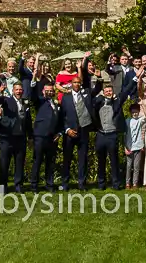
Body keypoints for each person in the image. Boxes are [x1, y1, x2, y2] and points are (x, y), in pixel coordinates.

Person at [59, 56, 96, 190]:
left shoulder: (86, 94)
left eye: (78, 82)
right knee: (67, 159)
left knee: (83, 159)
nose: (77, 84)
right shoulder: (66, 98)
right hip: (70, 132)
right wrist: (67, 129)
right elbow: (61, 117)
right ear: (71, 83)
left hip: (83, 130)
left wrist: (96, 76)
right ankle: (65, 183)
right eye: (74, 82)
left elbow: (96, 90)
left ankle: (81, 183)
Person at [92, 69, 132, 190]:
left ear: (112, 92)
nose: (108, 92)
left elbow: (125, 92)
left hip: (112, 135)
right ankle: (101, 183)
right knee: (101, 161)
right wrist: (99, 79)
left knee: (114, 161)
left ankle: (115, 184)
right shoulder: (98, 102)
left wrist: (134, 79)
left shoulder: (117, 102)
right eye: (106, 91)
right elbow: (91, 97)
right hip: (100, 135)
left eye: (110, 91)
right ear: (103, 92)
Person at [0, 82, 30, 194]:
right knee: (4, 163)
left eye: (20, 89)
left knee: (19, 162)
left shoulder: (25, 102)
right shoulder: (7, 100)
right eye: (17, 90)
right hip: (7, 137)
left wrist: (30, 136)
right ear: (13, 91)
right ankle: (3, 186)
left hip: (21, 137)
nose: (19, 91)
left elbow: (28, 120)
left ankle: (18, 185)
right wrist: (0, 92)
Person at [27, 78, 62, 193]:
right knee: (37, 161)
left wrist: (59, 133)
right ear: (43, 91)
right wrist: (33, 84)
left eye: (51, 91)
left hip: (52, 137)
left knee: (50, 162)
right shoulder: (40, 101)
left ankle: (49, 184)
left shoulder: (56, 103)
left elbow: (60, 120)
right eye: (47, 91)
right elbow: (33, 97)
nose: (50, 93)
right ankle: (34, 185)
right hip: (40, 136)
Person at [124, 102, 145, 189]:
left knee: (136, 166)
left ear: (139, 112)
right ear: (130, 113)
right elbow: (124, 135)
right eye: (133, 112)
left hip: (138, 146)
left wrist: (143, 104)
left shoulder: (140, 120)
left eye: (136, 112)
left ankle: (135, 183)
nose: (135, 114)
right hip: (129, 146)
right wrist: (125, 147)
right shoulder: (127, 121)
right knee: (129, 166)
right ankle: (127, 183)